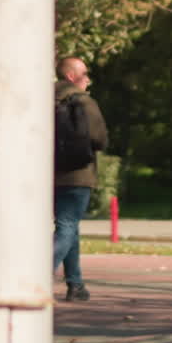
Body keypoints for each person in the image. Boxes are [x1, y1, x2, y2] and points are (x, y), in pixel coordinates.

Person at [53, 56, 108, 301]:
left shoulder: (43, 98)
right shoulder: (83, 102)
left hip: (50, 174)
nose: (88, 78)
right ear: (71, 76)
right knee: (66, 227)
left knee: (69, 227)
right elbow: (100, 139)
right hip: (78, 174)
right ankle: (39, 276)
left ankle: (76, 285)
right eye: (84, 73)